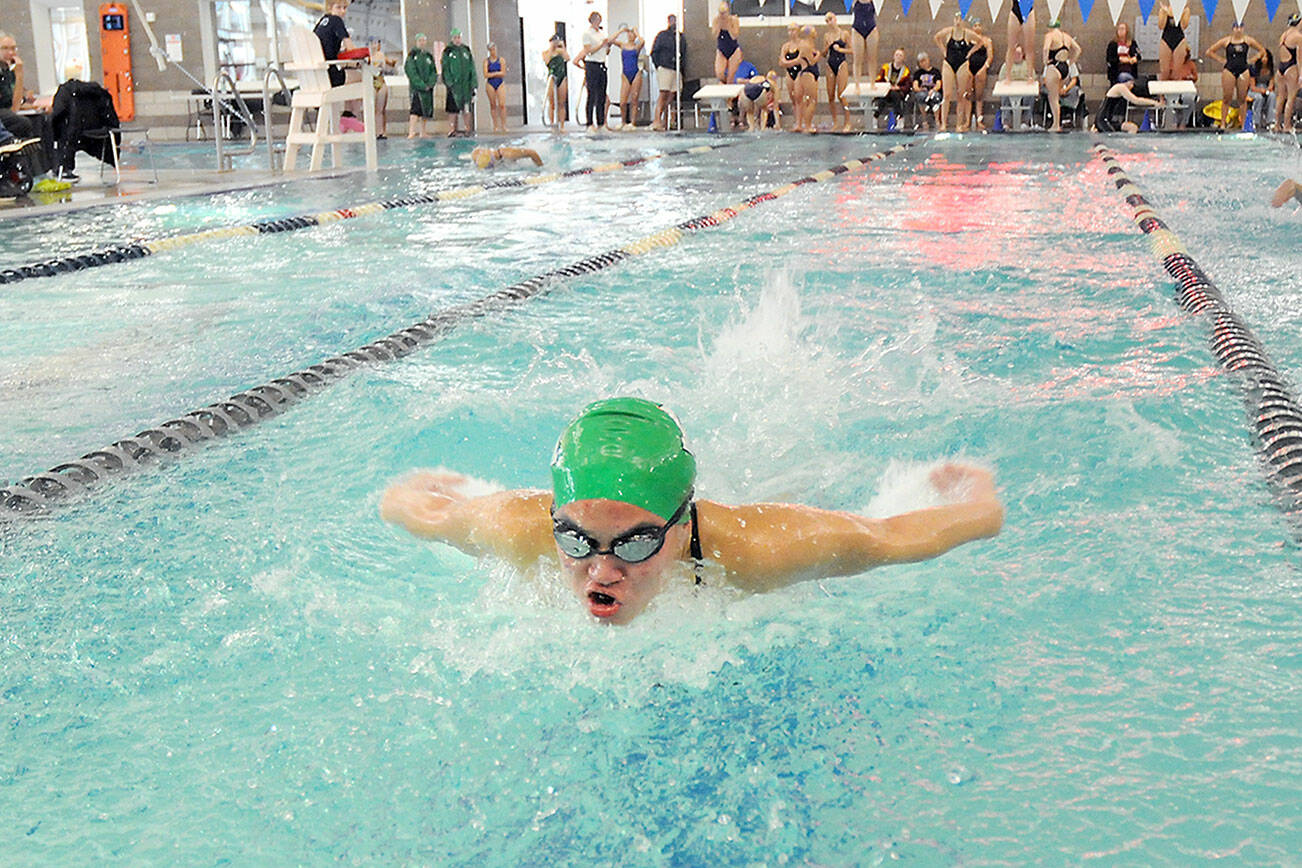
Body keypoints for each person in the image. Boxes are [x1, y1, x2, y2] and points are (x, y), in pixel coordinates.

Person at [381, 397, 1005, 625]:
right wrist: (437, 486)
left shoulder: (756, 550)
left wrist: (978, 502)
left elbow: (889, 537)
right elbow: (410, 505)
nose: (600, 571)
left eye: (632, 545)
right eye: (577, 540)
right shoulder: (525, 531)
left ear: (681, 527)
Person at [0, 30, 54, 177]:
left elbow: (18, 101)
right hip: (3, 116)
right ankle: (32, 172)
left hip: (7, 112)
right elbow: (14, 107)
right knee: (24, 123)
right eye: (5, 48)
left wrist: (36, 107)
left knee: (44, 119)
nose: (11, 53)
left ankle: (50, 168)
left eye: (13, 48)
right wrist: (20, 75)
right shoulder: (11, 72)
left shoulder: (7, 70)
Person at [1206, 22, 1265, 130]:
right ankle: (1223, 123)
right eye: (1236, 27)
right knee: (1226, 98)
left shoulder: (1248, 40)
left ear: (1243, 28)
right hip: (1229, 70)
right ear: (1232, 29)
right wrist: (1221, 60)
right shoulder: (1226, 41)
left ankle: (1243, 125)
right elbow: (1209, 51)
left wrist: (1253, 59)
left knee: (1242, 99)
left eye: (1241, 27)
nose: (1238, 30)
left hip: (1243, 70)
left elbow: (1262, 50)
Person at [934, 14, 976, 132]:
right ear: (953, 20)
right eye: (956, 19)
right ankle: (943, 124)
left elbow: (980, 42)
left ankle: (959, 124)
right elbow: (936, 37)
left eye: (960, 19)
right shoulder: (949, 32)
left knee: (960, 95)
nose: (958, 21)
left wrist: (970, 53)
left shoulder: (967, 33)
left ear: (963, 21)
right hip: (948, 63)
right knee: (947, 95)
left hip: (962, 64)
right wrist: (943, 50)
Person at [573, 11, 614, 132]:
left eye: (599, 20)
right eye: (596, 20)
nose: (598, 22)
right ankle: (589, 123)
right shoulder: (587, 34)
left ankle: (601, 122)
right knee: (592, 95)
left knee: (602, 95)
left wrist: (607, 46)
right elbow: (589, 51)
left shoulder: (601, 33)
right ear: (591, 21)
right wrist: (601, 44)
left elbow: (605, 52)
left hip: (602, 64)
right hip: (592, 64)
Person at [1042, 19, 1081, 132]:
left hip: (1054, 67)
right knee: (1056, 98)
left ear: (1050, 27)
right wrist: (1071, 62)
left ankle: (1056, 124)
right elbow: (1078, 50)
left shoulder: (1050, 35)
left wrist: (1045, 61)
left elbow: (1045, 48)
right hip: (1065, 68)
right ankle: (1056, 123)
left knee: (1052, 97)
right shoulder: (1066, 36)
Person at [650, 15, 685, 131]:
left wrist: (681, 70)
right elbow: (654, 52)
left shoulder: (680, 37)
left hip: (676, 69)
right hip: (665, 67)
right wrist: (659, 65)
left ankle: (666, 121)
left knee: (671, 97)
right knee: (663, 94)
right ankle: (657, 120)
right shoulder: (662, 36)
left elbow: (684, 54)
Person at [1091, 76, 1161, 132]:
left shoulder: (1120, 88)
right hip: (1103, 120)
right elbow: (1136, 100)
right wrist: (1154, 103)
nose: (1132, 86)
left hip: (1109, 120)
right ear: (1128, 82)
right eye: (1132, 84)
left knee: (1133, 128)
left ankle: (1129, 146)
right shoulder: (1120, 87)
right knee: (1112, 137)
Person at [441, 29, 476, 137]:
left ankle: (467, 129)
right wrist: (449, 82)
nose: (457, 40)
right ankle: (452, 129)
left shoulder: (466, 51)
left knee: (467, 108)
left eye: (459, 37)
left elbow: (472, 68)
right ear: (452, 39)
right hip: (454, 86)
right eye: (455, 38)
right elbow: (445, 68)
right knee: (453, 110)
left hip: (465, 86)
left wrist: (473, 83)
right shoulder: (448, 51)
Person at [313, 0, 354, 89]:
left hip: (317, 76)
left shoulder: (322, 21)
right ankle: (365, 103)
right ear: (329, 8)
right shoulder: (337, 20)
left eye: (345, 8)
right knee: (362, 77)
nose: (342, 11)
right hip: (331, 76)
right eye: (338, 7)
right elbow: (352, 49)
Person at [823, 12, 851, 132]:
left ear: (836, 19)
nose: (830, 22)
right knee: (830, 96)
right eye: (827, 20)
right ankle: (835, 122)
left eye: (831, 19)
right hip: (830, 63)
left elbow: (853, 50)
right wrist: (827, 47)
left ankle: (848, 122)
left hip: (841, 63)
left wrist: (840, 49)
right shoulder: (826, 36)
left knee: (841, 94)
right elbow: (824, 54)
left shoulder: (844, 33)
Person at [404, 34, 436, 138]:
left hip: (427, 88)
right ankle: (411, 131)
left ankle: (423, 131)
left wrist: (430, 84)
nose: (422, 42)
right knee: (415, 110)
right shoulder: (412, 56)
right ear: (416, 42)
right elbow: (411, 72)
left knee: (425, 111)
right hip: (417, 89)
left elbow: (433, 71)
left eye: (423, 40)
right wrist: (421, 85)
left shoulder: (428, 56)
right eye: (420, 40)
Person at [613, 26, 645, 129]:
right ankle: (623, 122)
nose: (630, 35)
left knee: (634, 99)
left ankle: (633, 123)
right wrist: (621, 31)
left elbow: (642, 41)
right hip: (625, 74)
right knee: (622, 102)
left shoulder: (636, 46)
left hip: (635, 73)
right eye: (629, 33)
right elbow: (612, 40)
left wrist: (637, 32)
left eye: (632, 34)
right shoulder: (623, 45)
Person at [967, 19, 994, 131]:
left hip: (981, 69)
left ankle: (979, 121)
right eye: (975, 25)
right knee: (968, 96)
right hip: (968, 69)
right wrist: (966, 70)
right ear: (972, 28)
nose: (977, 27)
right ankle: (966, 121)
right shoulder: (967, 40)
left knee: (978, 96)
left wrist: (984, 68)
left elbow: (990, 57)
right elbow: (964, 56)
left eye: (979, 25)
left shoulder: (987, 41)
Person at [874, 48, 911, 128]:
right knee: (882, 98)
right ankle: (875, 117)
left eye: (900, 55)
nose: (898, 57)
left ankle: (900, 118)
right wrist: (885, 86)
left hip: (897, 93)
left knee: (894, 95)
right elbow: (878, 80)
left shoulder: (906, 71)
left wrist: (899, 88)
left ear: (904, 58)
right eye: (897, 55)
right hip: (885, 91)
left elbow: (907, 86)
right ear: (893, 56)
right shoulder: (886, 68)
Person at [1156, 0, 1191, 81]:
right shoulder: (1163, 9)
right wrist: (1165, 13)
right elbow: (1161, 26)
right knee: (1164, 71)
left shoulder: (1186, 10)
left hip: (1179, 40)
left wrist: (1180, 13)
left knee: (1177, 72)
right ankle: (1162, 93)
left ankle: (1176, 93)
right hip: (1166, 39)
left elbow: (1183, 26)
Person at [1278, 13, 1301, 133]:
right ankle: (1287, 125)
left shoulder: (1284, 35)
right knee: (1291, 97)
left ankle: (1277, 124)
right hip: (1291, 68)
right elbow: (1299, 58)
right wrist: (1301, 75)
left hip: (1280, 68)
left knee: (1281, 97)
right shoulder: (1298, 36)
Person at [850, 0, 880, 91]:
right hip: (857, 30)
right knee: (857, 59)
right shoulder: (855, 1)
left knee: (872, 59)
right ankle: (857, 85)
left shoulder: (873, 1)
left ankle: (872, 83)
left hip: (871, 29)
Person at [543, 35, 570, 132]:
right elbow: (547, 61)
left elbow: (568, 58)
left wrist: (563, 47)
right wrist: (551, 48)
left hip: (561, 76)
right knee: (552, 103)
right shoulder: (546, 52)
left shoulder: (561, 52)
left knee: (561, 103)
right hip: (551, 77)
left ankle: (562, 125)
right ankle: (551, 123)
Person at [712, 2, 743, 86]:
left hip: (734, 50)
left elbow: (734, 36)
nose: (722, 16)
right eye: (720, 13)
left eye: (724, 13)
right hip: (721, 49)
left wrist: (728, 24)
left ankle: (730, 97)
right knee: (719, 73)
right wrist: (719, 25)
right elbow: (715, 35)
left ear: (728, 12)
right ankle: (724, 86)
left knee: (730, 76)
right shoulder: (716, 20)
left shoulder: (734, 20)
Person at [1005, 0, 1037, 82]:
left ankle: (1030, 76)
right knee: (1011, 47)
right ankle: (1008, 76)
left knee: (1029, 48)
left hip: (1029, 13)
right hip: (1015, 13)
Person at [912, 52, 942, 130]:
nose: (923, 63)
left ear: (928, 60)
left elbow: (939, 84)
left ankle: (937, 120)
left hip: (933, 91)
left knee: (936, 96)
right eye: (921, 62)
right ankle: (924, 120)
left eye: (924, 60)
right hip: (923, 91)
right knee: (921, 96)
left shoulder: (936, 72)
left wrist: (933, 90)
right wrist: (921, 89)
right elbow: (915, 86)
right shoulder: (918, 73)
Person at [1246, 49, 1275, 130]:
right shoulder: (1254, 69)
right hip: (1254, 90)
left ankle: (1271, 121)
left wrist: (1268, 90)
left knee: (1272, 96)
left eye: (1266, 57)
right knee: (1259, 98)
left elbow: (1271, 84)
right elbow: (1252, 86)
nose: (1264, 59)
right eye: (1262, 57)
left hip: (1265, 89)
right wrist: (1261, 90)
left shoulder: (1270, 70)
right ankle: (1256, 121)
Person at [482, 42, 507, 134]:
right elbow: (485, 74)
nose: (493, 51)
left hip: (500, 83)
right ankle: (495, 125)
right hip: (490, 84)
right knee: (493, 105)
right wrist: (497, 73)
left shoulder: (501, 60)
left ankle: (504, 125)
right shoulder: (486, 61)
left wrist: (492, 74)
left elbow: (503, 73)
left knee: (502, 105)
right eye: (491, 50)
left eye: (494, 49)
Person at [469, 145, 541, 169]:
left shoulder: (509, 154)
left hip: (505, 155)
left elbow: (532, 152)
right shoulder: (476, 153)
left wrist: (541, 167)